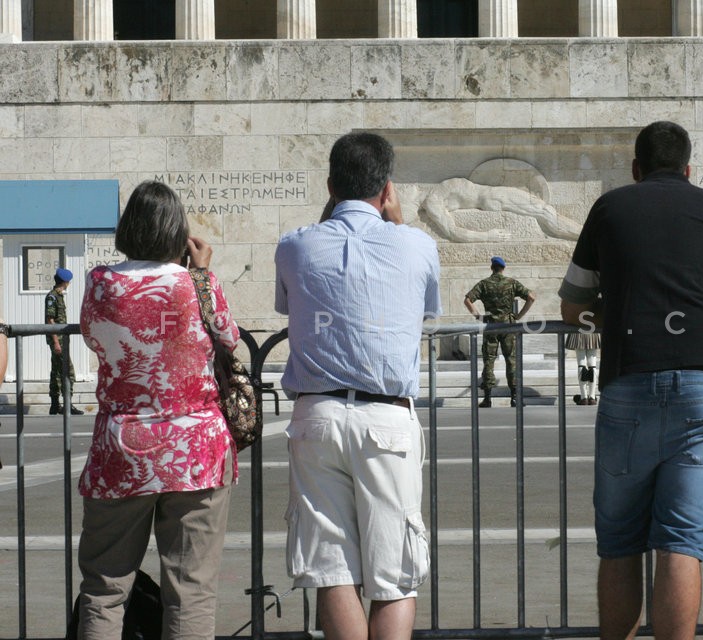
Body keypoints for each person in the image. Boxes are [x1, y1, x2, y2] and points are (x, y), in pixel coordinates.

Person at [558, 121, 703, 640]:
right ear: (689, 168)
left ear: (636, 169)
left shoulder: (610, 207)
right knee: (681, 541)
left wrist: (617, 311)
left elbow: (572, 305)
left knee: (620, 542)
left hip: (631, 378)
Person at [275, 132, 441, 640]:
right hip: (386, 417)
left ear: (330, 185)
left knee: (332, 569)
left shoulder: (295, 246)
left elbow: (289, 305)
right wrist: (397, 224)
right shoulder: (417, 244)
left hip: (317, 414)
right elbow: (424, 308)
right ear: (387, 189)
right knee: (395, 574)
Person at [76, 181, 239, 639]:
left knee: (105, 589)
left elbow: (93, 336)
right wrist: (202, 274)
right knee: (191, 591)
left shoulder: (102, 282)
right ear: (179, 232)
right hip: (195, 452)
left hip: (121, 448)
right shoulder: (196, 284)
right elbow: (229, 338)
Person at [463, 257, 536, 408]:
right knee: (511, 360)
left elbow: (467, 300)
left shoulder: (484, 284)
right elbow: (531, 297)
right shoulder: (511, 283)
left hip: (491, 326)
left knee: (489, 360)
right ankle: (514, 397)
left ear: (492, 268)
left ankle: (487, 398)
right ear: (503, 268)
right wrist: (519, 316)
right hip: (508, 326)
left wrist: (479, 316)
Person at [45, 267, 82, 415]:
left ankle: (55, 404)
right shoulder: (52, 297)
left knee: (56, 371)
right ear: (65, 282)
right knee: (68, 372)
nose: (68, 284)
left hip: (60, 340)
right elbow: (50, 320)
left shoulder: (58, 296)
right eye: (68, 282)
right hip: (57, 340)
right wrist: (56, 342)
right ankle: (67, 404)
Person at [565, 330, 601, 405]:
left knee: (581, 364)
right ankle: (592, 397)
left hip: (578, 329)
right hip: (592, 329)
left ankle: (584, 397)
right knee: (592, 365)